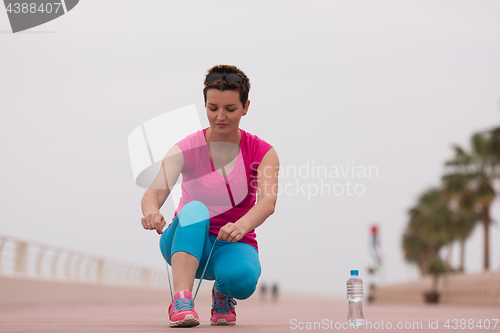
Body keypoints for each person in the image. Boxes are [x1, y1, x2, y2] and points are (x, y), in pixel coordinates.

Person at [140, 65, 279, 327]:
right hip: (185, 241)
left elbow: (268, 202)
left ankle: (223, 294)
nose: (220, 117)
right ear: (204, 105)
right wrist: (152, 212)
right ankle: (181, 301)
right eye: (212, 108)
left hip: (232, 243)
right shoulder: (185, 148)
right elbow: (154, 193)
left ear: (246, 107)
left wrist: (241, 226)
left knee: (243, 280)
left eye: (230, 109)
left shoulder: (263, 152)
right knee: (195, 210)